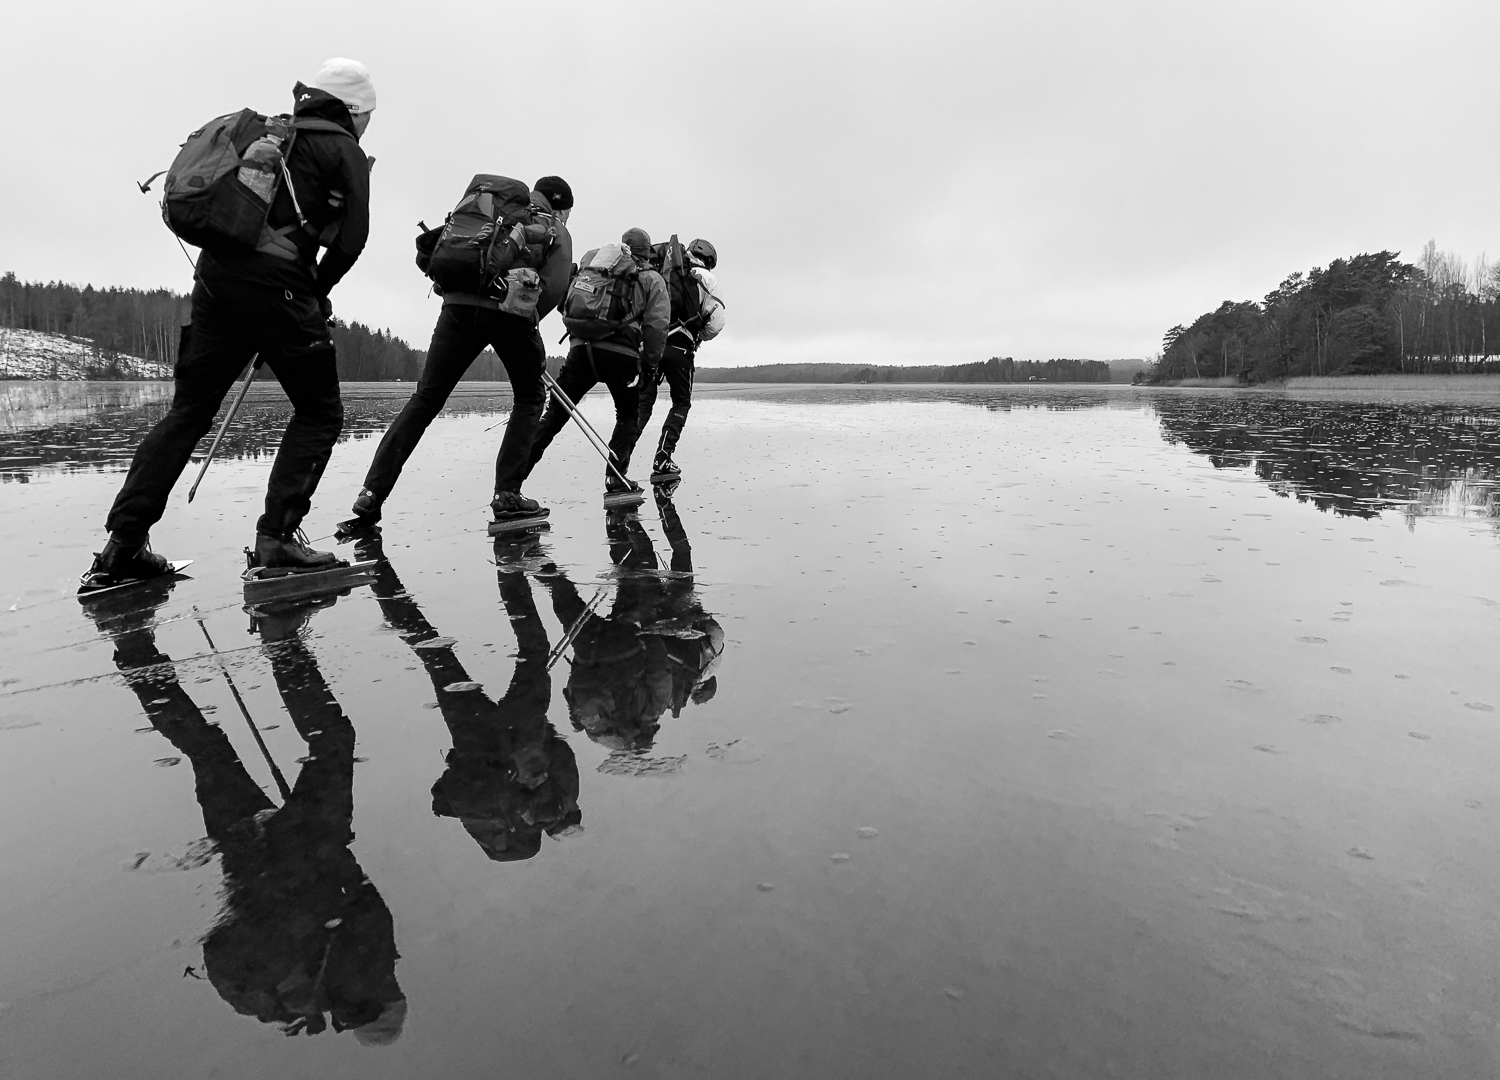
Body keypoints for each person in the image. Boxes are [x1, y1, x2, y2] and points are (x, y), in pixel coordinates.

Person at [81, 59, 377, 590]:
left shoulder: (274, 135)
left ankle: (122, 546)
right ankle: (277, 540)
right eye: (369, 115)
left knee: (188, 413)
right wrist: (315, 291)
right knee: (320, 412)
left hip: (215, 280)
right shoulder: (342, 148)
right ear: (354, 110)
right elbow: (352, 240)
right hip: (277, 286)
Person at [87, 587, 406, 1042]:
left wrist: (329, 845)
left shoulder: (370, 968)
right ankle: (134, 650)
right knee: (208, 751)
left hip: (312, 843)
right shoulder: (295, 999)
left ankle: (282, 640)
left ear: (387, 1001)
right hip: (247, 860)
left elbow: (364, 897)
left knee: (333, 739)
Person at [345, 176, 575, 530]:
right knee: (530, 397)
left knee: (425, 400)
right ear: (561, 207)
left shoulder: (489, 212)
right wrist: (526, 325)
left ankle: (372, 492)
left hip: (457, 308)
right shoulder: (553, 227)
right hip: (508, 313)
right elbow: (554, 287)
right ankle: (507, 495)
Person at [515, 228, 669, 501]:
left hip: (580, 351)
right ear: (647, 253)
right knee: (628, 415)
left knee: (555, 415)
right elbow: (657, 327)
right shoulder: (651, 279)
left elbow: (566, 298)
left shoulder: (595, 265)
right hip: (621, 355)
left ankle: (511, 483)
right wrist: (650, 364)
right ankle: (615, 477)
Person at [636, 238, 724, 482]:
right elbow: (716, 323)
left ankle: (617, 464)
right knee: (681, 403)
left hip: (651, 344)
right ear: (708, 261)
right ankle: (663, 459)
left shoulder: (662, 272)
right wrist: (698, 336)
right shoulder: (707, 279)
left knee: (643, 405)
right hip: (680, 347)